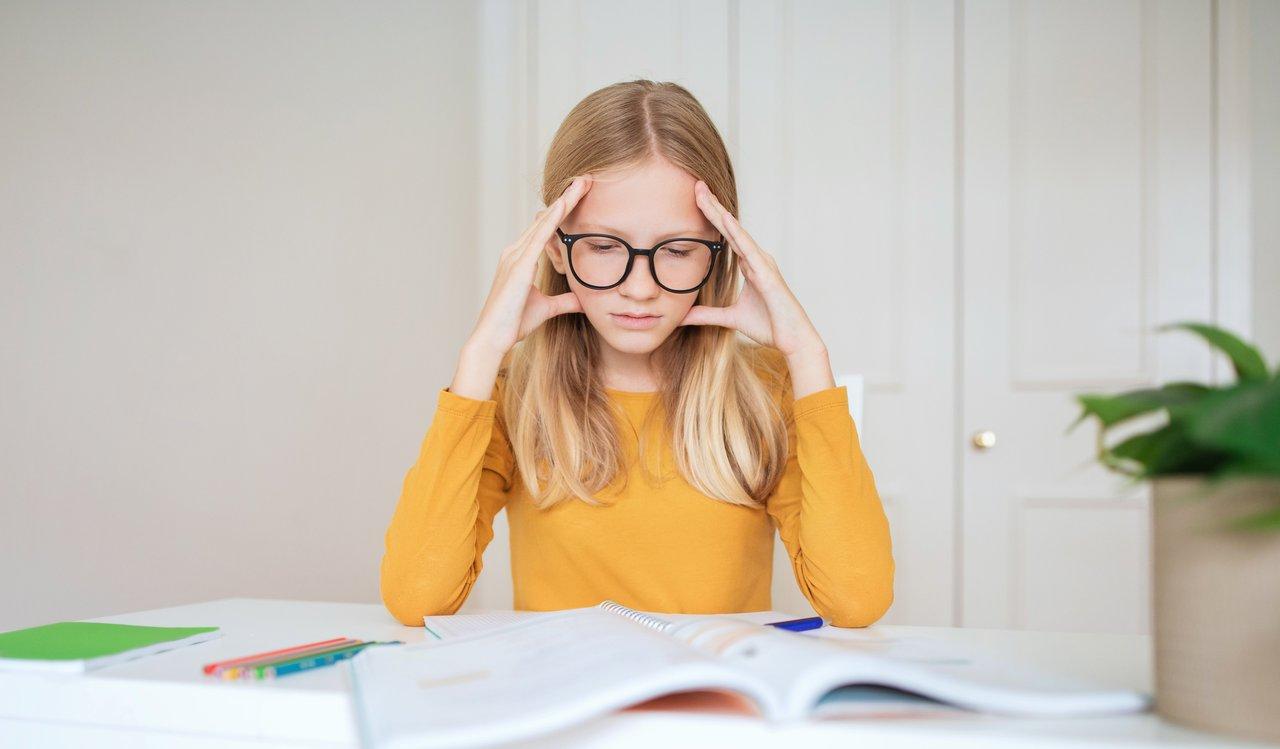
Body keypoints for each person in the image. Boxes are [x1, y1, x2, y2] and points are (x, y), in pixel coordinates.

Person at [380, 79, 894, 628]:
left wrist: (807, 356)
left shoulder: (767, 390)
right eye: (603, 247)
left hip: (713, 709)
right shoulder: (511, 395)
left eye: (677, 250)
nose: (641, 287)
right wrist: (481, 353)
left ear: (720, 254)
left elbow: (855, 599)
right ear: (553, 243)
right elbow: (417, 597)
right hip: (571, 703)